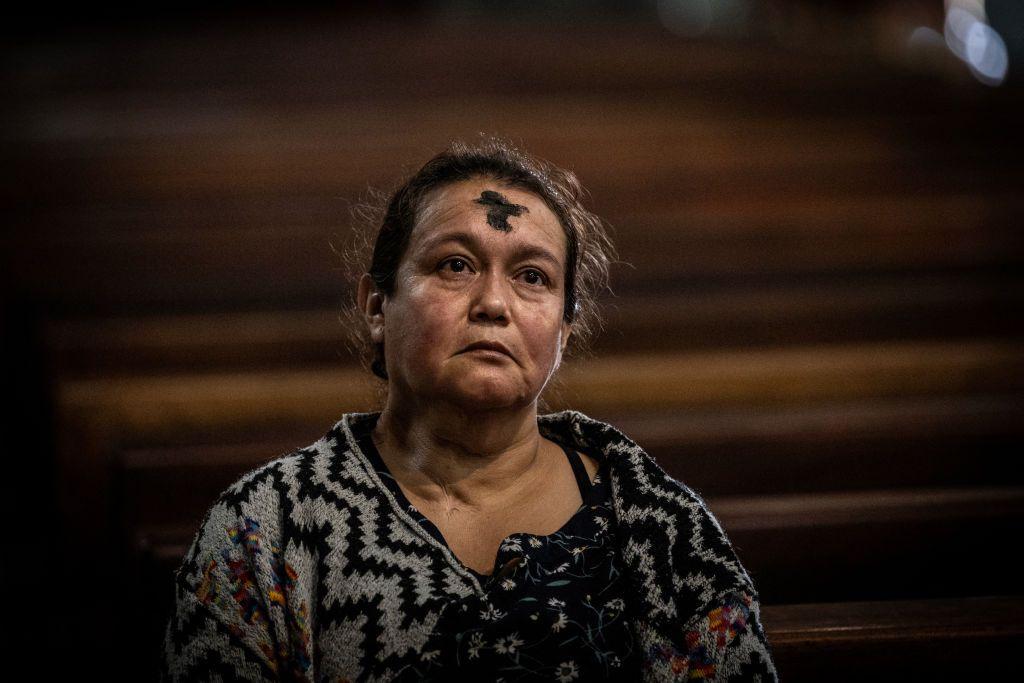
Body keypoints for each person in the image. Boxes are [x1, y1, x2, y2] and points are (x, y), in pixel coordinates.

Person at [161, 138, 777, 681]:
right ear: (377, 306)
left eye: (532, 277)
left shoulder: (660, 524)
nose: (493, 303)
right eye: (455, 266)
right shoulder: (266, 526)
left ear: (564, 329)